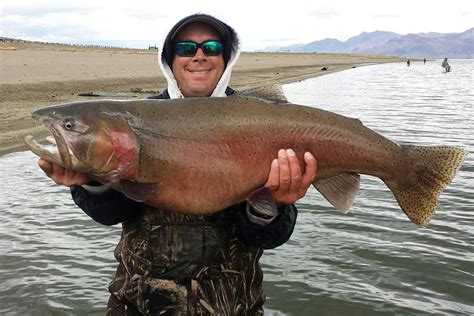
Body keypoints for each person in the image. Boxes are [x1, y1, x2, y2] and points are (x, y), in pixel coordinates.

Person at [37, 14, 318, 315]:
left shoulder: (262, 120)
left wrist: (269, 207)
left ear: (226, 57)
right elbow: (111, 214)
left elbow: (267, 238)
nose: (199, 56)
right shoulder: (132, 119)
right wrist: (93, 182)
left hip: (235, 307)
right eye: (186, 49)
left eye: (211, 47)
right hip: (137, 306)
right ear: (169, 60)